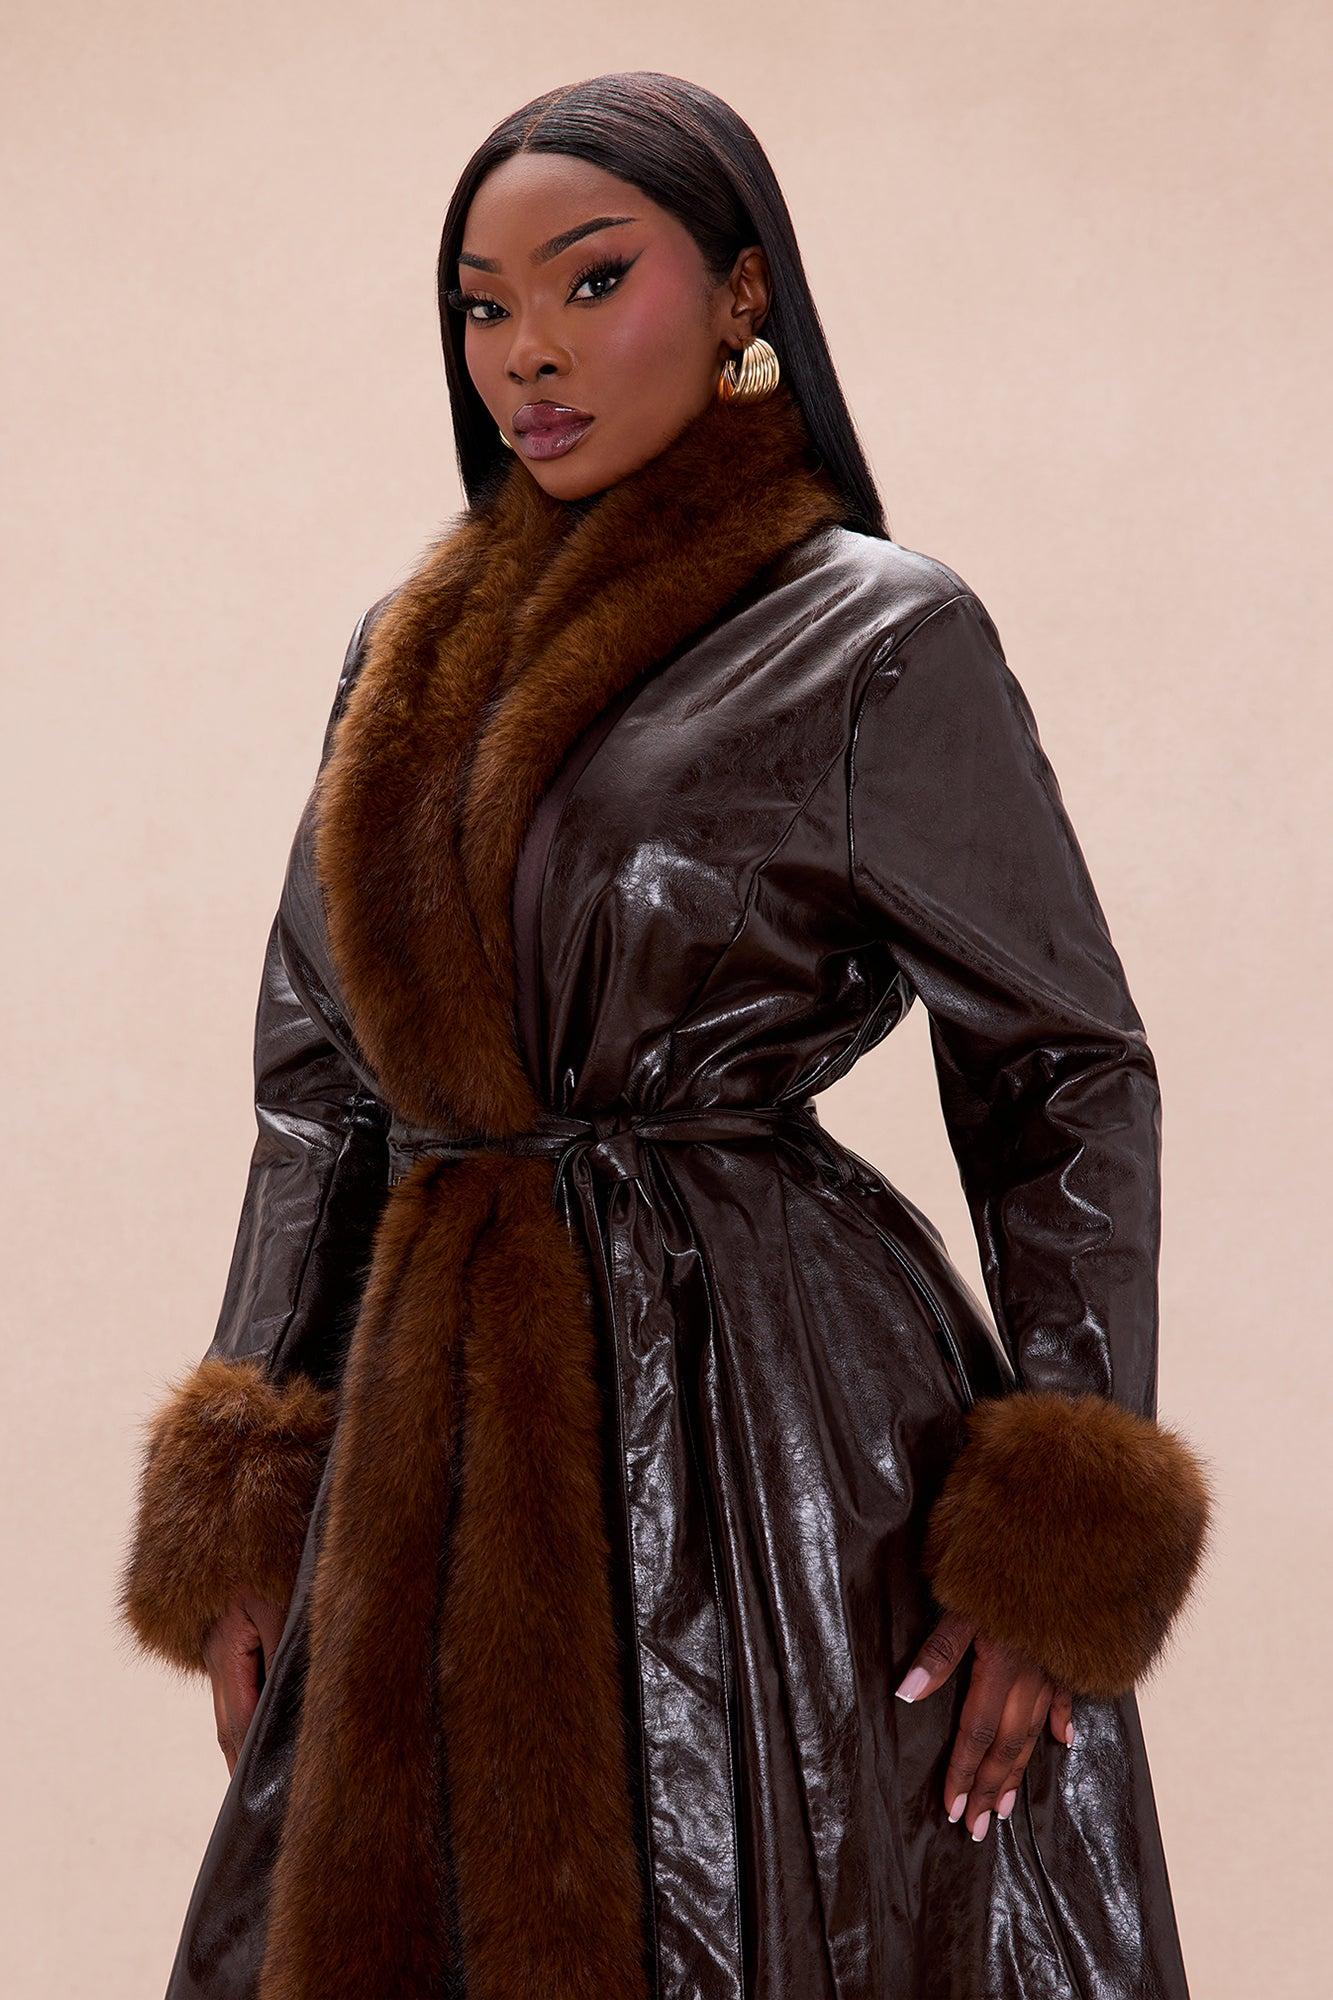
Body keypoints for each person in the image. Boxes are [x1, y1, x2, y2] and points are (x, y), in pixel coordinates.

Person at [118, 69, 1212, 2000]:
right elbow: (319, 1091)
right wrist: (252, 1495)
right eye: (479, 305)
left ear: (740, 293)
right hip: (432, 1442)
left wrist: (1050, 1540)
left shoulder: (871, 632)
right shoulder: (402, 656)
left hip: (769, 1436)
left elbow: (1061, 1070)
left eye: (589, 279)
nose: (523, 352)